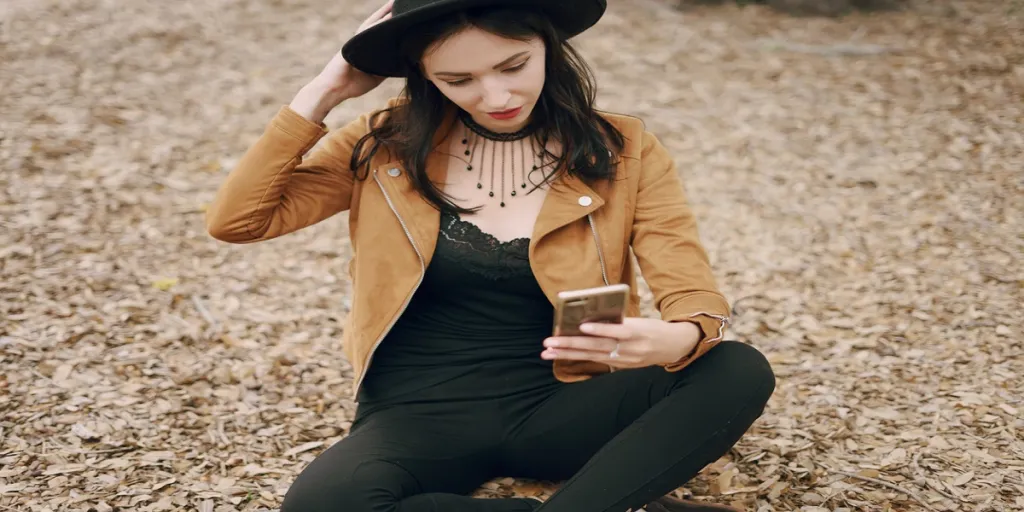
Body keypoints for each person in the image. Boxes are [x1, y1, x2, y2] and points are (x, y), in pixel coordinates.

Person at [205, 0, 775, 510]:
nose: (496, 97)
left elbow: (687, 280)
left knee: (737, 368)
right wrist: (323, 91)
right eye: (459, 79)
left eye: (513, 66)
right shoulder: (381, 143)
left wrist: (684, 335)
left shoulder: (623, 149)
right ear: (424, 76)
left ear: (548, 46)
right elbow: (238, 221)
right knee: (324, 505)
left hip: (563, 402)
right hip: (418, 413)